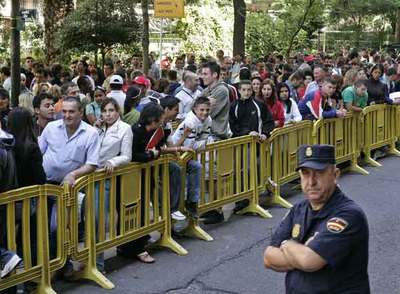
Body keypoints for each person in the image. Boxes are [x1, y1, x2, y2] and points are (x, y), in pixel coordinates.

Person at [264, 144, 370, 294]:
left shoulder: (349, 215)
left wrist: (286, 244)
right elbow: (269, 258)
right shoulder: (298, 210)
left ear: (335, 175)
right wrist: (300, 252)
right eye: (305, 173)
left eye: (319, 172)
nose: (311, 181)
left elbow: (309, 261)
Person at [95, 97, 133, 271]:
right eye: (105, 110)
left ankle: (98, 263)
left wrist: (113, 161)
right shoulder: (96, 127)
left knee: (99, 220)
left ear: (117, 111)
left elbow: (127, 156)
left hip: (105, 177)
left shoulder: (125, 129)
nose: (108, 114)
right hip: (87, 174)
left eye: (111, 110)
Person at [201, 61, 231, 140]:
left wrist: (201, 103)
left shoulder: (222, 90)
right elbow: (192, 106)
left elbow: (203, 115)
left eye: (205, 74)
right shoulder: (206, 90)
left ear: (214, 75)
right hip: (205, 135)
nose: (202, 76)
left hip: (216, 137)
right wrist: (206, 100)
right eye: (202, 74)